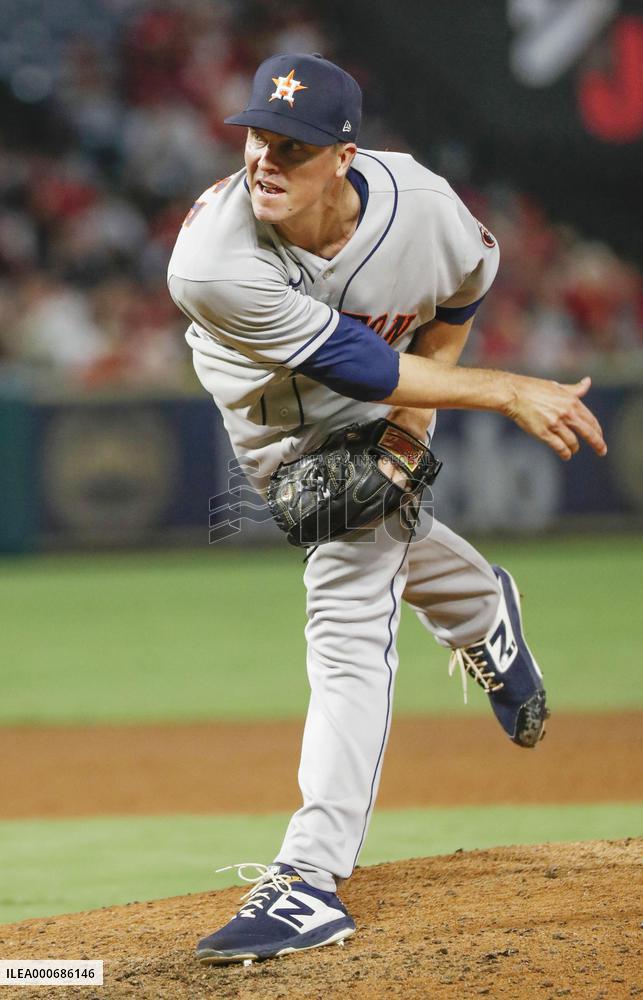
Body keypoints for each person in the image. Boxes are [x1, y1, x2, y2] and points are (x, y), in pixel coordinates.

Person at [167, 53, 607, 966]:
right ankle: (482, 607)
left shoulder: (420, 204)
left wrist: (410, 428)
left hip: (367, 407)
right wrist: (506, 392)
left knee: (345, 605)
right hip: (271, 426)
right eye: (256, 137)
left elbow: (463, 293)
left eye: (291, 146)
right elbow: (356, 363)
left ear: (343, 154)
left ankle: (309, 878)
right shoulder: (212, 259)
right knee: (360, 520)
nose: (264, 162)